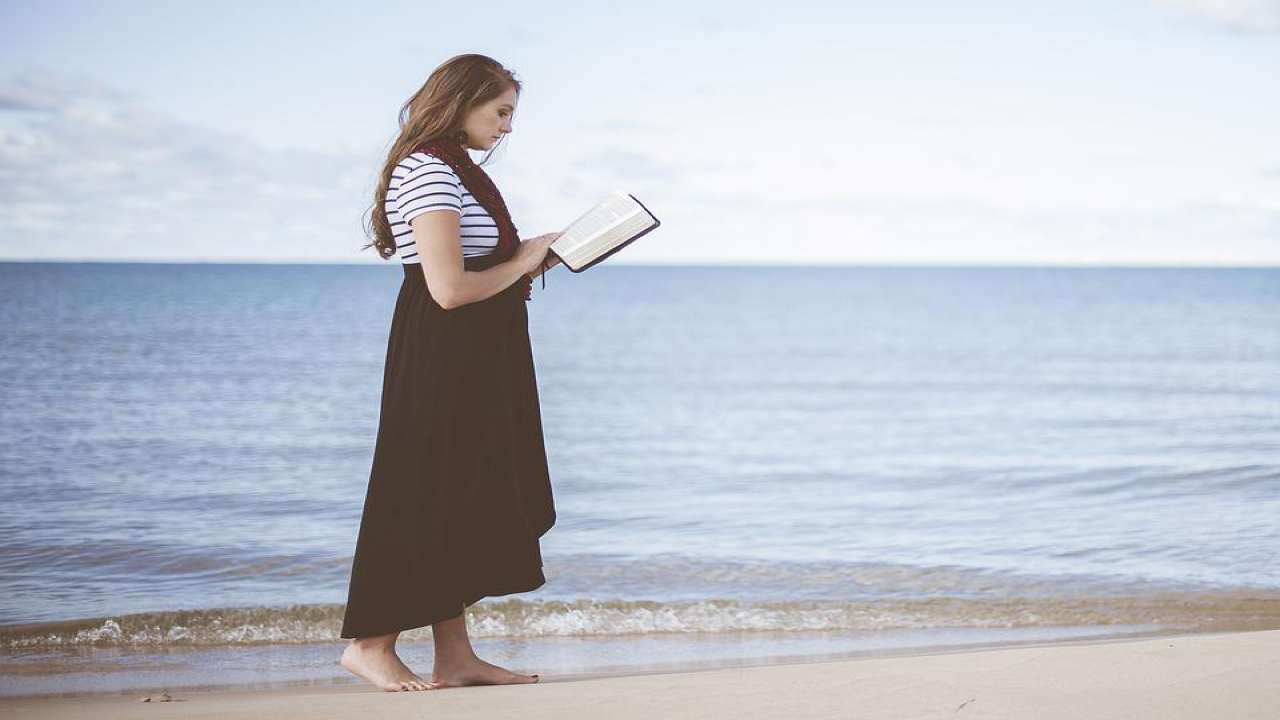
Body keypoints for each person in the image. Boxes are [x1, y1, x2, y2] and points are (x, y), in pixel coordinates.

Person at [341, 53, 562, 692]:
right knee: (421, 491)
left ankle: (456, 657)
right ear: (462, 103)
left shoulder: (452, 171)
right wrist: (522, 262)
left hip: (475, 356)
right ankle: (370, 644)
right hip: (445, 353)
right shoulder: (428, 171)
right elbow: (448, 289)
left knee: (460, 497)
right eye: (501, 112)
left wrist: (532, 260)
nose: (508, 127)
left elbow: (473, 275)